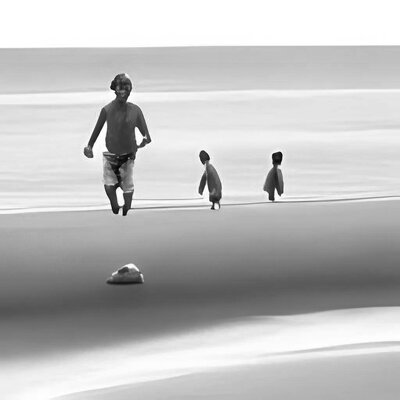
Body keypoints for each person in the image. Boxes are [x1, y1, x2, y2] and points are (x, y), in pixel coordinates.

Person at [83, 73, 151, 215]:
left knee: (124, 185)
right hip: (113, 153)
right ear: (115, 89)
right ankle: (117, 205)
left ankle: (124, 207)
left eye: (127, 89)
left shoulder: (135, 110)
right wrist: (89, 146)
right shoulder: (107, 110)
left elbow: (146, 135)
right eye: (121, 88)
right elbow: (97, 129)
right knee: (112, 184)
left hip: (127, 154)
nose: (124, 92)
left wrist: (143, 142)